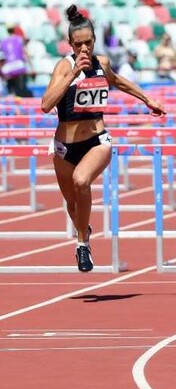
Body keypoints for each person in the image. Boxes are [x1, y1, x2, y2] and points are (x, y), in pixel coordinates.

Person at [41, 5, 164, 272]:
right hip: (64, 147)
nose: (84, 49)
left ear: (94, 41)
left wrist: (148, 100)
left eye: (88, 43)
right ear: (70, 45)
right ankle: (83, 229)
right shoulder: (63, 67)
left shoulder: (102, 64)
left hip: (97, 140)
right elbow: (45, 104)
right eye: (78, 45)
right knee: (72, 205)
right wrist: (74, 74)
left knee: (81, 181)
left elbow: (118, 81)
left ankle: (82, 245)